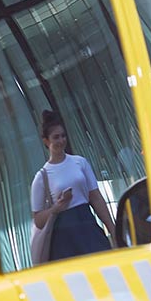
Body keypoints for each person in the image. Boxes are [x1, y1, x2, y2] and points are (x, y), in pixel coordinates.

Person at [31, 110, 117, 262]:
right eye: (56, 137)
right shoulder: (42, 176)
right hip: (63, 234)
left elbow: (95, 197)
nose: (61, 140)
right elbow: (38, 219)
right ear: (46, 141)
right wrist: (56, 208)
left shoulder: (80, 162)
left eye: (63, 136)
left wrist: (112, 229)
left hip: (87, 223)